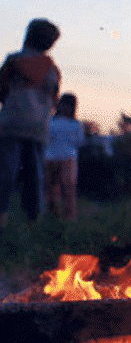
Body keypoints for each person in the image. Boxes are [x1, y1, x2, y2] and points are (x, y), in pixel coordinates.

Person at [0, 19, 61, 226]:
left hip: (10, 124)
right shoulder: (52, 69)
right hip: (38, 128)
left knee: (5, 173)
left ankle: (1, 215)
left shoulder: (12, 62)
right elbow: (54, 100)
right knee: (34, 175)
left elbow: (2, 90)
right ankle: (33, 219)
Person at [44, 93, 86, 222]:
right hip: (50, 159)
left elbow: (80, 142)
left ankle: (69, 217)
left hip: (68, 159)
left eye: (68, 106)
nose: (65, 108)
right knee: (50, 190)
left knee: (68, 190)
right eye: (64, 105)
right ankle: (52, 217)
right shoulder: (50, 121)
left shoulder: (76, 125)